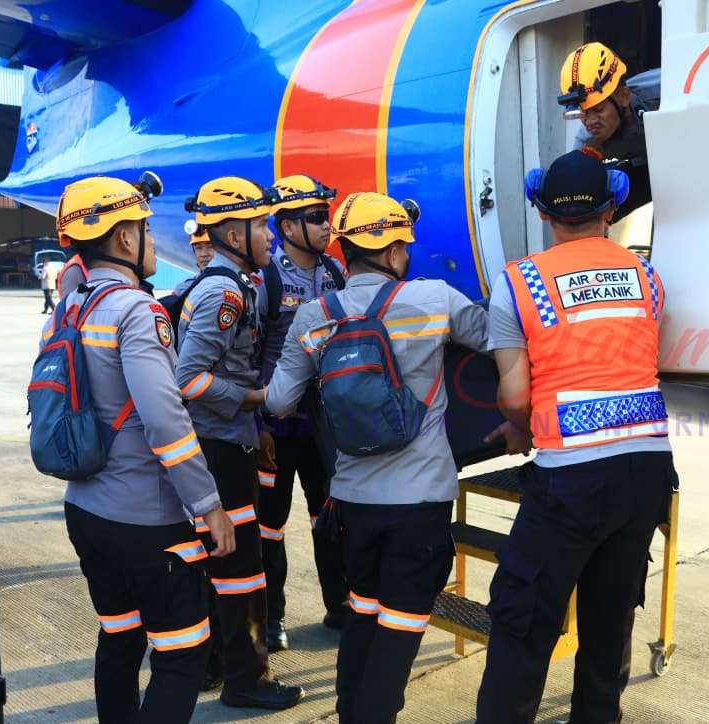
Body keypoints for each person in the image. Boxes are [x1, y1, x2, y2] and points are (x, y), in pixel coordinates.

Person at [266, 191, 522, 723]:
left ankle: (350, 713)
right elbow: (497, 339)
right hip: (419, 500)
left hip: (351, 501)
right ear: (393, 251)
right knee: (400, 631)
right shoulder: (433, 299)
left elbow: (280, 401)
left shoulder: (314, 315)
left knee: (362, 616)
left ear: (345, 250)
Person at [475, 150, 679, 723]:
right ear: (611, 208)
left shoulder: (520, 282)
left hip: (570, 479)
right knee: (610, 615)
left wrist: (520, 428)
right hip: (647, 470)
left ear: (542, 211)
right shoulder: (646, 277)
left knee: (523, 621)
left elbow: (515, 396)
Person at [48, 173, 237, 723]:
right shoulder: (136, 311)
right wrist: (209, 505)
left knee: (120, 638)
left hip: (85, 509)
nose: (152, 242)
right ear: (126, 237)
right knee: (183, 656)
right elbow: (166, 421)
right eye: (147, 231)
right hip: (146, 521)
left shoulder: (68, 307)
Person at [175, 176, 302, 710]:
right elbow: (188, 379)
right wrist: (251, 399)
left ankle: (223, 666)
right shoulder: (225, 293)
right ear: (232, 234)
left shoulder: (233, 285)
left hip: (230, 441)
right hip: (219, 448)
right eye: (261, 226)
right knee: (240, 569)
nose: (270, 236)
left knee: (229, 564)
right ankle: (247, 681)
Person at [256, 174, 348, 651]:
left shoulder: (336, 272)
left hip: (323, 426)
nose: (326, 225)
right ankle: (272, 619)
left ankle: (339, 603)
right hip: (276, 427)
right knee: (269, 528)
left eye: (326, 216)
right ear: (288, 227)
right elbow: (248, 355)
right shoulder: (267, 279)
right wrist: (256, 426)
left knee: (328, 516)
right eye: (315, 218)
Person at [557, 41, 651, 221]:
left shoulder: (662, 91)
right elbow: (574, 185)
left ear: (623, 96)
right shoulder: (587, 141)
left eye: (598, 109)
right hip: (647, 170)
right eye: (583, 113)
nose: (590, 122)